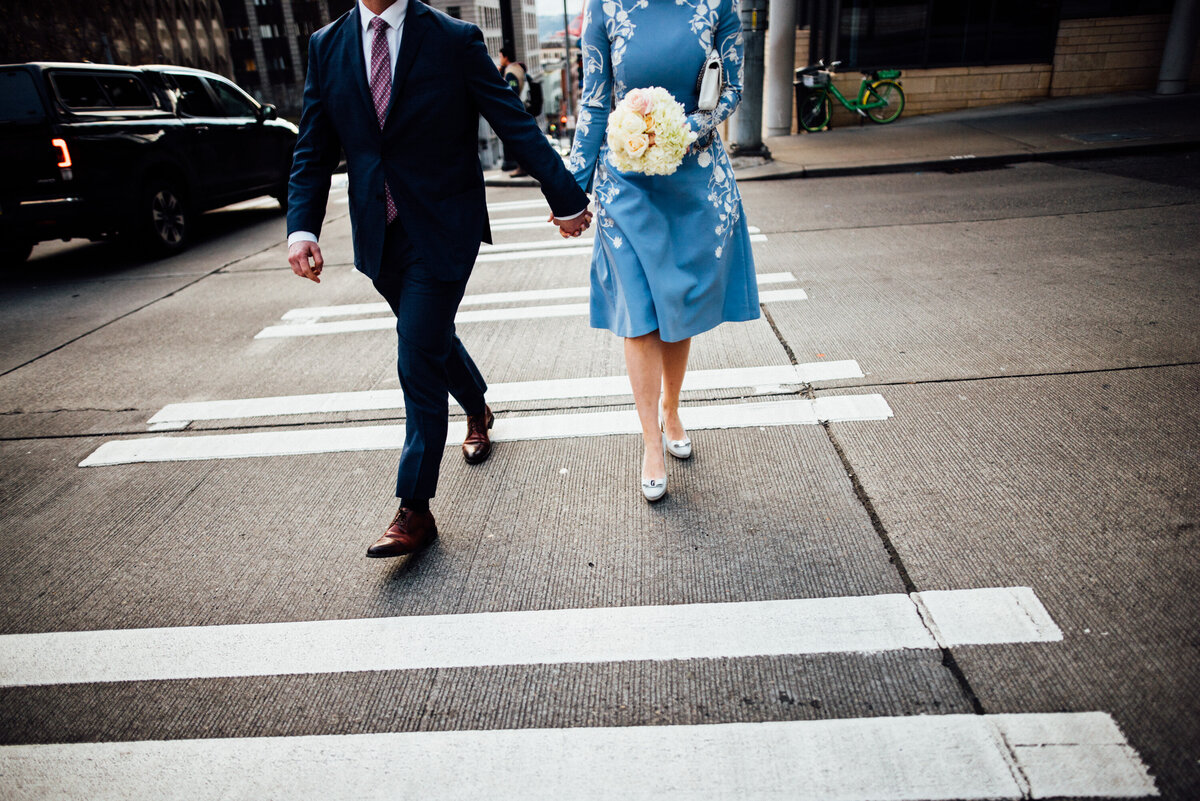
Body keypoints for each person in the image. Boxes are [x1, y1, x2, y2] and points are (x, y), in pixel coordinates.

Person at [287, 0, 593, 557]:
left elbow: (511, 118)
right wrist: (301, 227)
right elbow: (314, 144)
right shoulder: (326, 45)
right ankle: (476, 404)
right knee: (427, 337)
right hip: (378, 233)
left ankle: (414, 508)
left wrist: (565, 194)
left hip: (444, 224)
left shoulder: (453, 38)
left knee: (415, 353)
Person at [567, 0, 759, 502]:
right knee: (640, 314)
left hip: (692, 180)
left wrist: (677, 132)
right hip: (624, 186)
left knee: (676, 302)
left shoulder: (718, 4)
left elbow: (733, 88)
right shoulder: (603, 6)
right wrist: (572, 187)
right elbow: (593, 99)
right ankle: (651, 441)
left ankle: (672, 407)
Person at [498, 47, 529, 178]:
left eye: (500, 56)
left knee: (517, 142)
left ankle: (521, 167)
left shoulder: (511, 72)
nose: (500, 59)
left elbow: (512, 91)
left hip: (515, 110)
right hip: (523, 108)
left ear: (505, 57)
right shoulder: (519, 68)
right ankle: (523, 166)